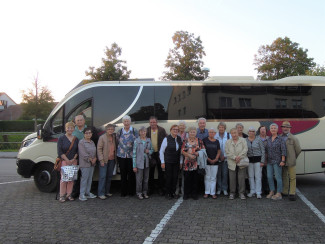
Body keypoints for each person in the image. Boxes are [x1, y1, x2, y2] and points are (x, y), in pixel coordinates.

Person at [181, 127, 205, 200]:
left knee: (195, 179)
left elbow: (203, 150)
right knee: (187, 179)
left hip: (196, 163)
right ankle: (186, 194)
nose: (192, 133)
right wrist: (189, 155)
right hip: (187, 163)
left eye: (193, 132)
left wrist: (197, 153)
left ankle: (194, 194)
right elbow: (182, 151)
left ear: (196, 133)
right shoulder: (185, 141)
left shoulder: (199, 141)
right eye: (191, 132)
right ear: (188, 133)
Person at [117, 115, 138, 197]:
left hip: (131, 156)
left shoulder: (134, 131)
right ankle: (123, 192)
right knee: (123, 174)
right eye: (125, 121)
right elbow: (117, 141)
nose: (126, 123)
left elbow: (136, 142)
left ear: (130, 122)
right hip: (121, 156)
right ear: (123, 122)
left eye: (127, 121)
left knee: (131, 174)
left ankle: (131, 192)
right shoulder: (120, 131)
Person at [57, 121, 79, 202]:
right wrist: (67, 160)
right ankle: (62, 195)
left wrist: (73, 159)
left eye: (72, 128)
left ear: (74, 129)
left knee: (71, 179)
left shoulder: (75, 139)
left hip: (73, 161)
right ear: (65, 129)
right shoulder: (61, 138)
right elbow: (60, 152)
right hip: (64, 161)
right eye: (68, 128)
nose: (70, 129)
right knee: (63, 179)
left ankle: (69, 194)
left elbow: (77, 151)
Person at [160, 124, 182, 200]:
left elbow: (180, 152)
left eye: (177, 130)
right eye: (174, 129)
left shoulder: (179, 139)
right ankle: (168, 193)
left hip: (176, 162)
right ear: (171, 130)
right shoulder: (166, 139)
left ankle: (173, 192)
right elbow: (161, 151)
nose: (175, 131)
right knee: (169, 178)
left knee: (175, 178)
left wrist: (181, 162)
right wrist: (162, 162)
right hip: (168, 162)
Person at [146, 116, 167, 196]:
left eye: (154, 122)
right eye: (151, 122)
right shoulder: (147, 130)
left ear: (156, 122)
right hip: (150, 153)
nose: (152, 124)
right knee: (150, 172)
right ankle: (150, 188)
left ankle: (160, 188)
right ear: (149, 123)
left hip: (160, 153)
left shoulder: (162, 130)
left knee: (161, 172)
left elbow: (165, 141)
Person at [281, 121, 301, 201]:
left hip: (291, 161)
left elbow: (298, 150)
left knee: (292, 177)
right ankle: (285, 191)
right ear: (282, 128)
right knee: (284, 176)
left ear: (289, 128)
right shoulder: (280, 137)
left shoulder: (293, 138)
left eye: (287, 127)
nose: (285, 128)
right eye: (284, 127)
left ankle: (292, 193)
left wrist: (293, 157)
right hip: (283, 161)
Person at [225, 128, 248, 200]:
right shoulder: (228, 142)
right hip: (232, 162)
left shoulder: (243, 140)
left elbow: (245, 149)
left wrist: (239, 157)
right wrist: (235, 157)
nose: (234, 134)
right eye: (232, 133)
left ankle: (241, 193)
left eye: (235, 133)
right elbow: (227, 152)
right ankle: (232, 193)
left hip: (241, 162)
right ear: (230, 134)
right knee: (232, 179)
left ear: (238, 133)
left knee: (241, 178)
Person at [266, 123, 286, 200]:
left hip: (278, 161)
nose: (273, 129)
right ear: (270, 130)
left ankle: (279, 193)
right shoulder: (268, 139)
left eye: (274, 128)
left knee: (278, 177)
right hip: (269, 161)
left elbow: (283, 150)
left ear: (277, 130)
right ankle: (272, 191)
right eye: (272, 128)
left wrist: (283, 160)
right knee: (269, 176)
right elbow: (267, 151)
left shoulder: (281, 139)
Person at [133, 126, 154, 199]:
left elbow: (152, 150)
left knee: (146, 179)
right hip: (139, 163)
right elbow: (134, 154)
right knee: (139, 180)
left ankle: (145, 192)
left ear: (146, 132)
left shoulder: (148, 140)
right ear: (139, 132)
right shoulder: (136, 141)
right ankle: (139, 193)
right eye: (141, 131)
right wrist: (134, 166)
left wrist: (149, 151)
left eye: (144, 131)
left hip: (147, 163)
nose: (143, 133)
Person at [97, 124, 117, 200]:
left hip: (112, 160)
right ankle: (101, 193)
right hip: (104, 160)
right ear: (106, 130)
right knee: (102, 177)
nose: (110, 130)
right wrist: (101, 160)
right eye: (109, 129)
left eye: (112, 129)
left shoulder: (114, 137)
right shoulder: (102, 138)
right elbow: (99, 149)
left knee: (109, 177)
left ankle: (106, 192)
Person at [78, 127, 97, 201]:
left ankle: (87, 192)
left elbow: (94, 152)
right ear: (84, 134)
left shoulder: (92, 142)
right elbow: (83, 154)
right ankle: (81, 194)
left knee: (90, 179)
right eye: (86, 133)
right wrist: (90, 159)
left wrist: (95, 158)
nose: (88, 134)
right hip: (85, 164)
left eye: (90, 133)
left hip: (92, 164)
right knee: (84, 179)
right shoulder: (81, 142)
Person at [246, 127, 265, 199]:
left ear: (255, 132)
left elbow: (263, 150)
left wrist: (262, 161)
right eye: (250, 131)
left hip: (258, 160)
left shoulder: (258, 139)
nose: (251, 132)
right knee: (250, 176)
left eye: (253, 131)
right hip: (249, 161)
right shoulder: (245, 140)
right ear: (248, 132)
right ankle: (252, 191)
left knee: (258, 177)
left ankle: (258, 192)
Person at [203, 128, 221, 199]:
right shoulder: (204, 140)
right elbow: (203, 150)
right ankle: (206, 192)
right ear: (208, 133)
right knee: (207, 177)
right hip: (207, 161)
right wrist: (208, 158)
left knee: (213, 177)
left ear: (215, 133)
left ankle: (213, 193)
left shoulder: (217, 141)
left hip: (215, 162)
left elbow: (219, 150)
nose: (211, 133)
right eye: (210, 132)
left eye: (213, 132)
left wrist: (216, 159)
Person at [215, 122, 231, 196]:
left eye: (223, 127)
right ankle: (219, 189)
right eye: (220, 127)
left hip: (225, 158)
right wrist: (218, 156)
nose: (221, 128)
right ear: (218, 128)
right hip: (217, 158)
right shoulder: (215, 136)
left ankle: (224, 189)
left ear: (225, 128)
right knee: (218, 174)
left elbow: (230, 147)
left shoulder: (228, 136)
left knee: (225, 174)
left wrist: (224, 156)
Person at [175, 120, 188, 196]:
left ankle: (183, 189)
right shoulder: (176, 134)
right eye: (180, 125)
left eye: (183, 125)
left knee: (184, 174)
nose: (182, 127)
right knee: (176, 174)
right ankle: (177, 189)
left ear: (185, 127)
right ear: (178, 127)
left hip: (185, 157)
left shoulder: (187, 135)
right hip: (176, 156)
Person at [257, 125, 269, 195]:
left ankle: (266, 189)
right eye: (261, 129)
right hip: (259, 160)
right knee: (259, 176)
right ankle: (260, 190)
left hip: (267, 160)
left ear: (266, 131)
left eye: (264, 129)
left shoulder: (269, 138)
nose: (263, 130)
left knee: (266, 175)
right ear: (259, 131)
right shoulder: (257, 138)